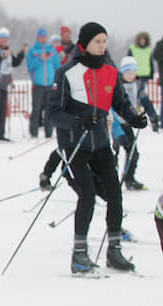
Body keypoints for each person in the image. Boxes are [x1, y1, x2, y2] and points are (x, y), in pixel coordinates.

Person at [45, 21, 146, 274]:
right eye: (98, 41)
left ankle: (114, 250)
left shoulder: (111, 72)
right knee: (87, 195)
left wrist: (134, 118)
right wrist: (78, 122)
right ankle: (79, 255)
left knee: (114, 194)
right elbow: (53, 113)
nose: (102, 46)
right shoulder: (67, 72)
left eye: (105, 41)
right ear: (85, 43)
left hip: (101, 142)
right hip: (74, 143)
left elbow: (121, 103)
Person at [111, 57, 158, 191]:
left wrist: (152, 115)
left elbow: (145, 101)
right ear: (123, 73)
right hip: (114, 124)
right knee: (113, 152)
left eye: (133, 72)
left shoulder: (137, 85)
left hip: (127, 122)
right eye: (128, 73)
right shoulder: (117, 84)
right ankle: (109, 180)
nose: (131, 75)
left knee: (133, 152)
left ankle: (129, 178)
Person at [27, 29, 59, 139]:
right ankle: (33, 133)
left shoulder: (52, 51)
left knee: (49, 109)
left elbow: (57, 67)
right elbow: (30, 66)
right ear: (38, 38)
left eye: (45, 37)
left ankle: (49, 133)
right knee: (36, 109)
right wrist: (40, 59)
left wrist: (56, 81)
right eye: (41, 37)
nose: (43, 39)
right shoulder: (32, 51)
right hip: (38, 84)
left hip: (50, 84)